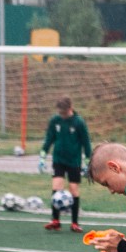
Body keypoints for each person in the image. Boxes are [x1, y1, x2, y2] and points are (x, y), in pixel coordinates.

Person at [41, 96, 93, 233]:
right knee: (56, 187)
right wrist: (42, 156)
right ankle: (55, 220)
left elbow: (86, 143)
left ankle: (74, 223)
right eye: (60, 113)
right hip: (58, 159)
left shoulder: (79, 122)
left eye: (63, 113)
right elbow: (49, 139)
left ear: (70, 109)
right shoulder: (55, 120)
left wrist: (88, 161)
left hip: (74, 161)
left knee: (73, 189)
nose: (61, 115)